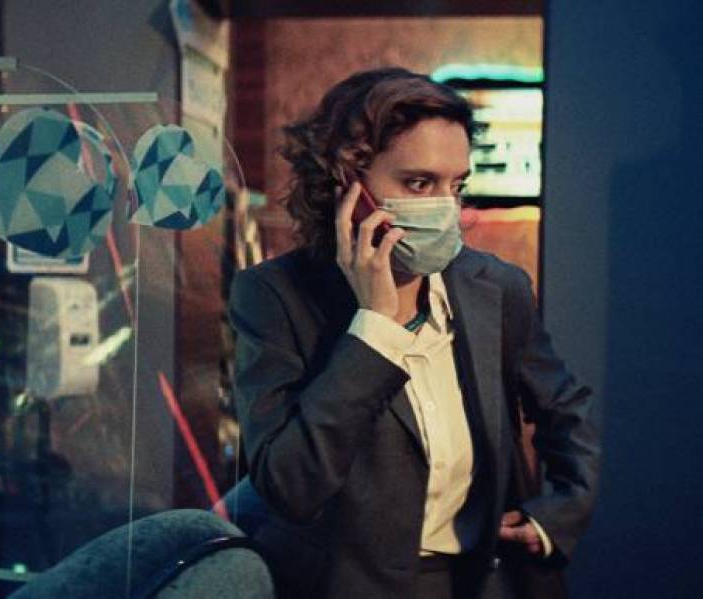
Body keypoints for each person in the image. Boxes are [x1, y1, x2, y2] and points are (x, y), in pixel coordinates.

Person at [227, 67, 599, 598]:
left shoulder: (496, 286)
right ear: (346, 181)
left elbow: (567, 408)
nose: (447, 207)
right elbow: (290, 486)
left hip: (488, 581)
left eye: (457, 185)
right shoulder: (274, 296)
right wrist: (374, 330)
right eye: (419, 184)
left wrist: (557, 515)